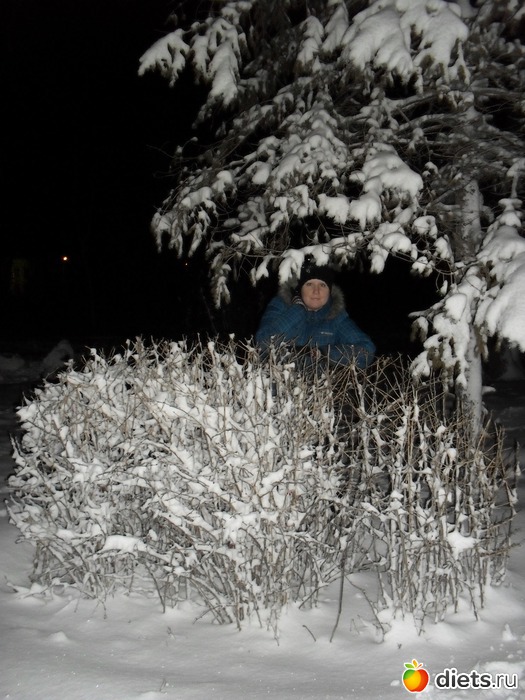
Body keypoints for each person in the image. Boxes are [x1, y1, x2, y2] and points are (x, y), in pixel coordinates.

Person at [256, 259, 375, 369]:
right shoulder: (281, 306)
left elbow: (367, 350)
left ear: (329, 290)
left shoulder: (335, 316)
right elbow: (263, 343)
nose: (316, 291)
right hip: (276, 382)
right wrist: (298, 310)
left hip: (317, 384)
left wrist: (324, 353)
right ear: (299, 288)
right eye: (309, 284)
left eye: (322, 285)